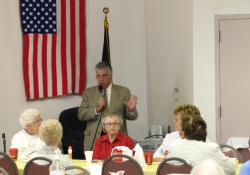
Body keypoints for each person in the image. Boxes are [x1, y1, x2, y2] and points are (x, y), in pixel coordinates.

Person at [78, 61, 138, 151]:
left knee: (118, 163)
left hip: (117, 137)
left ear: (111, 75)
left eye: (104, 76)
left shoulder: (123, 92)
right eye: (98, 76)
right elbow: (81, 114)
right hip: (94, 138)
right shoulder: (89, 93)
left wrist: (131, 110)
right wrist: (96, 109)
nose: (100, 79)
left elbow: (133, 116)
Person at [167, 114, 236, 175]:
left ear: (184, 132)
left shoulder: (173, 147)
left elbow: (166, 169)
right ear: (204, 132)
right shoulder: (211, 148)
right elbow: (231, 169)